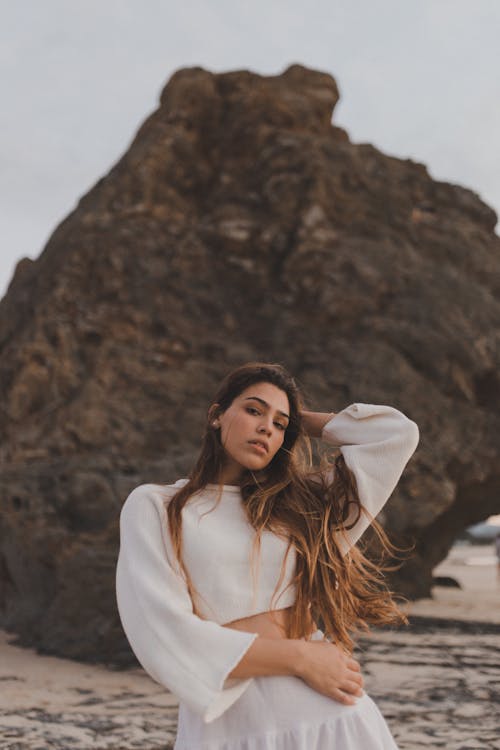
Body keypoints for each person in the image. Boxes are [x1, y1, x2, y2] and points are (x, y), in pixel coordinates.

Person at [116, 361, 420, 749]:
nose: (266, 428)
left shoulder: (302, 509)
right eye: (254, 410)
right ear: (216, 415)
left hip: (330, 719)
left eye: (279, 424)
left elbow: (395, 437)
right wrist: (300, 658)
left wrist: (301, 423)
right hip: (232, 727)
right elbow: (163, 631)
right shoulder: (158, 506)